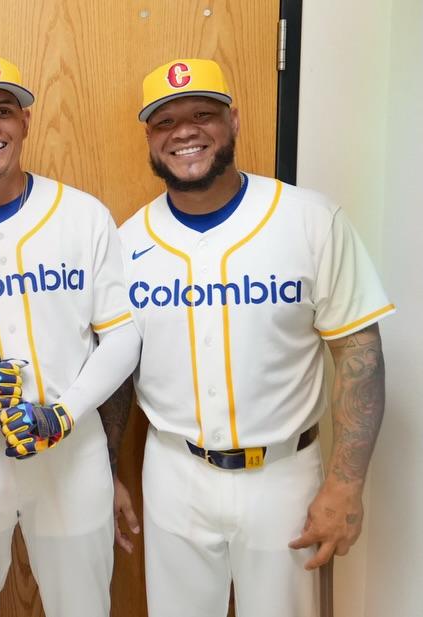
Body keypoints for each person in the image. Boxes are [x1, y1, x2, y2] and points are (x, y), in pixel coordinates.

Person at [118, 58, 393, 617]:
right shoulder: (126, 243)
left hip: (284, 474)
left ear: (234, 121)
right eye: (165, 121)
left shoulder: (310, 219)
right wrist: (106, 470)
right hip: (173, 471)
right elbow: (119, 372)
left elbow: (359, 352)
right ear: (150, 137)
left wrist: (345, 485)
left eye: (203, 114)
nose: (185, 132)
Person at [0, 56, 142, 617]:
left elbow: (121, 337)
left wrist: (65, 413)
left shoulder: (82, 215)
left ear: (26, 121)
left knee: (83, 605)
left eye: (4, 110)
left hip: (71, 454)